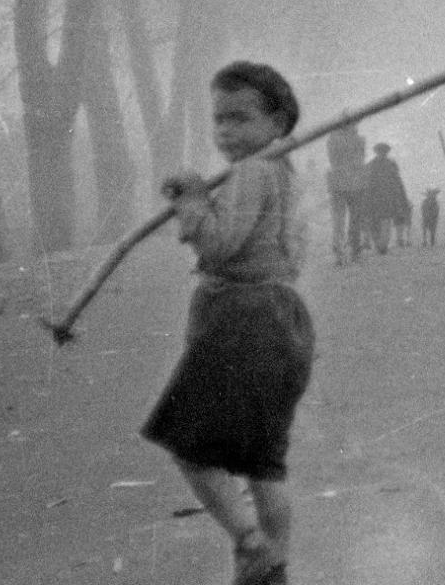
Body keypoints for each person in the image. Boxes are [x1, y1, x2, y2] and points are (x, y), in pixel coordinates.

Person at [144, 62, 314, 585]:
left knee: (189, 447)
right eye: (219, 121)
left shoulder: (253, 172)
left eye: (240, 119)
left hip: (242, 321)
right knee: (264, 462)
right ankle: (272, 569)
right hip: (285, 317)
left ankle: (249, 540)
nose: (225, 132)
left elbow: (219, 245)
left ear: (278, 120)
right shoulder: (284, 173)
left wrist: (194, 201)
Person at [324, 123, 367, 265]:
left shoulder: (332, 139)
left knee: (338, 220)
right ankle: (355, 252)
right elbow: (361, 159)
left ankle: (339, 254)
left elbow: (332, 159)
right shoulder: (360, 140)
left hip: (339, 182)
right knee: (354, 220)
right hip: (355, 182)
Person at [362, 143, 410, 255]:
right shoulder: (381, 165)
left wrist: (401, 196)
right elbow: (397, 182)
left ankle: (382, 245)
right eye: (381, 152)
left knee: (383, 222)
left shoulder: (375, 165)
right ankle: (380, 245)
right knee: (380, 222)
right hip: (379, 198)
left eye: (383, 152)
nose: (382, 154)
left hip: (382, 199)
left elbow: (397, 182)